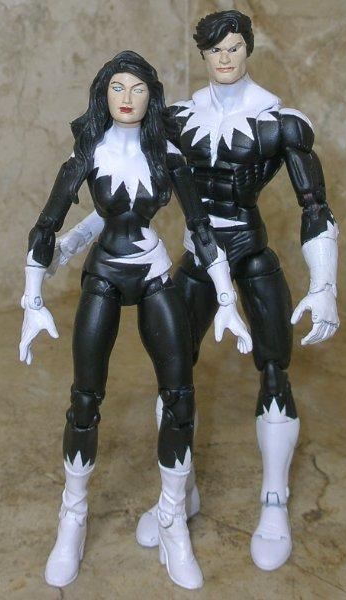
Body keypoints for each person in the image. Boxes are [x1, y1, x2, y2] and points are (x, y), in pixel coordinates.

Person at [56, 10, 340, 573]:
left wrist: (325, 284)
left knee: (275, 367)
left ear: (248, 49)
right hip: (197, 260)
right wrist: (72, 240)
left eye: (234, 47)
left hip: (249, 253)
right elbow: (123, 190)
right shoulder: (176, 119)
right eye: (215, 50)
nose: (225, 58)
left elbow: (315, 206)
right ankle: (178, 495)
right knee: (175, 371)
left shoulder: (280, 122)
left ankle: (274, 499)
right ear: (203, 55)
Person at [19, 50, 251, 590]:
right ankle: (73, 515)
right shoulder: (86, 154)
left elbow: (201, 228)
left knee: (180, 395)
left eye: (138, 88)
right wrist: (32, 300)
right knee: (85, 399)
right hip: (103, 274)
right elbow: (45, 227)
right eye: (117, 87)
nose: (127, 97)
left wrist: (226, 298)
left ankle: (172, 518)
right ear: (104, 94)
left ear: (152, 96)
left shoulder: (168, 155)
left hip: (152, 272)